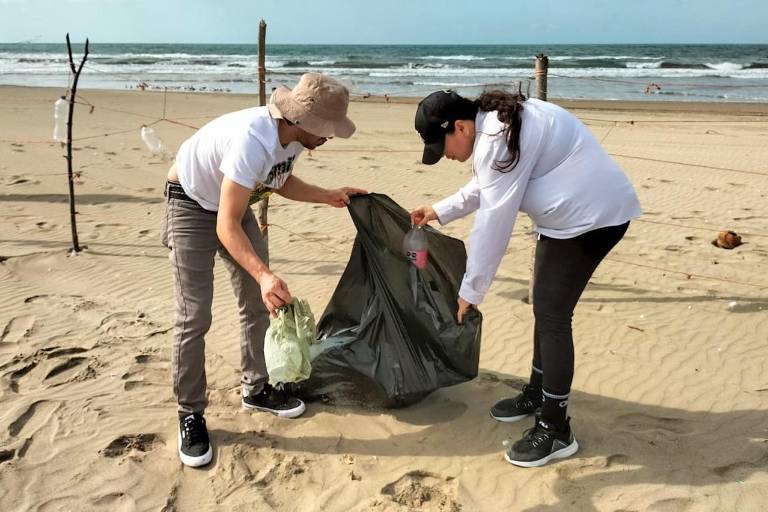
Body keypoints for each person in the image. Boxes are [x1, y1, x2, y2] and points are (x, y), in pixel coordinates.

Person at [410, 90, 641, 467]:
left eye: (444, 146)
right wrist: (438, 210)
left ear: (461, 127)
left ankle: (556, 428)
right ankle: (537, 392)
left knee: (552, 314)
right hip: (567, 219)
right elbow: (489, 187)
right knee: (546, 308)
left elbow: (493, 222)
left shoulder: (496, 137)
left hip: (590, 217)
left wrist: (471, 291)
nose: (447, 156)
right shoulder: (494, 128)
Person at [160, 73, 366, 468]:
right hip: (190, 203)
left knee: (259, 304)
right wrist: (264, 274)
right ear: (303, 122)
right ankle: (190, 413)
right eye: (327, 131)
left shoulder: (293, 138)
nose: (330, 138)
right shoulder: (252, 140)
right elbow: (226, 224)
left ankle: (255, 389)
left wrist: (329, 196)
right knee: (194, 316)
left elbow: (278, 180)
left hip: (230, 208)